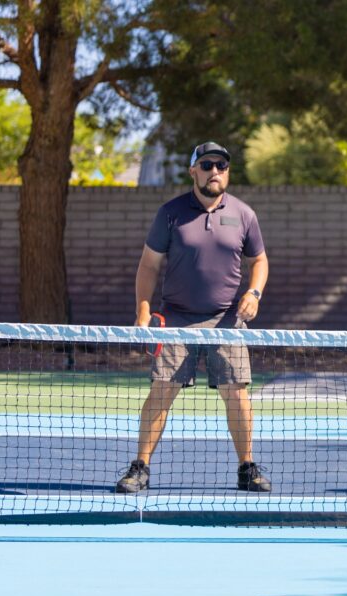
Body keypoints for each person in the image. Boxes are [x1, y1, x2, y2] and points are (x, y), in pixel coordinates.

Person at [116, 142, 272, 494]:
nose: (215, 171)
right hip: (176, 319)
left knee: (237, 393)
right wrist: (143, 310)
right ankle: (140, 467)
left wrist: (254, 293)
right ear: (193, 171)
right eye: (207, 165)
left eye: (221, 165)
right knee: (162, 390)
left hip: (227, 320)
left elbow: (259, 261)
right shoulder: (170, 214)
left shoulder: (244, 214)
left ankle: (247, 468)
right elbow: (149, 264)